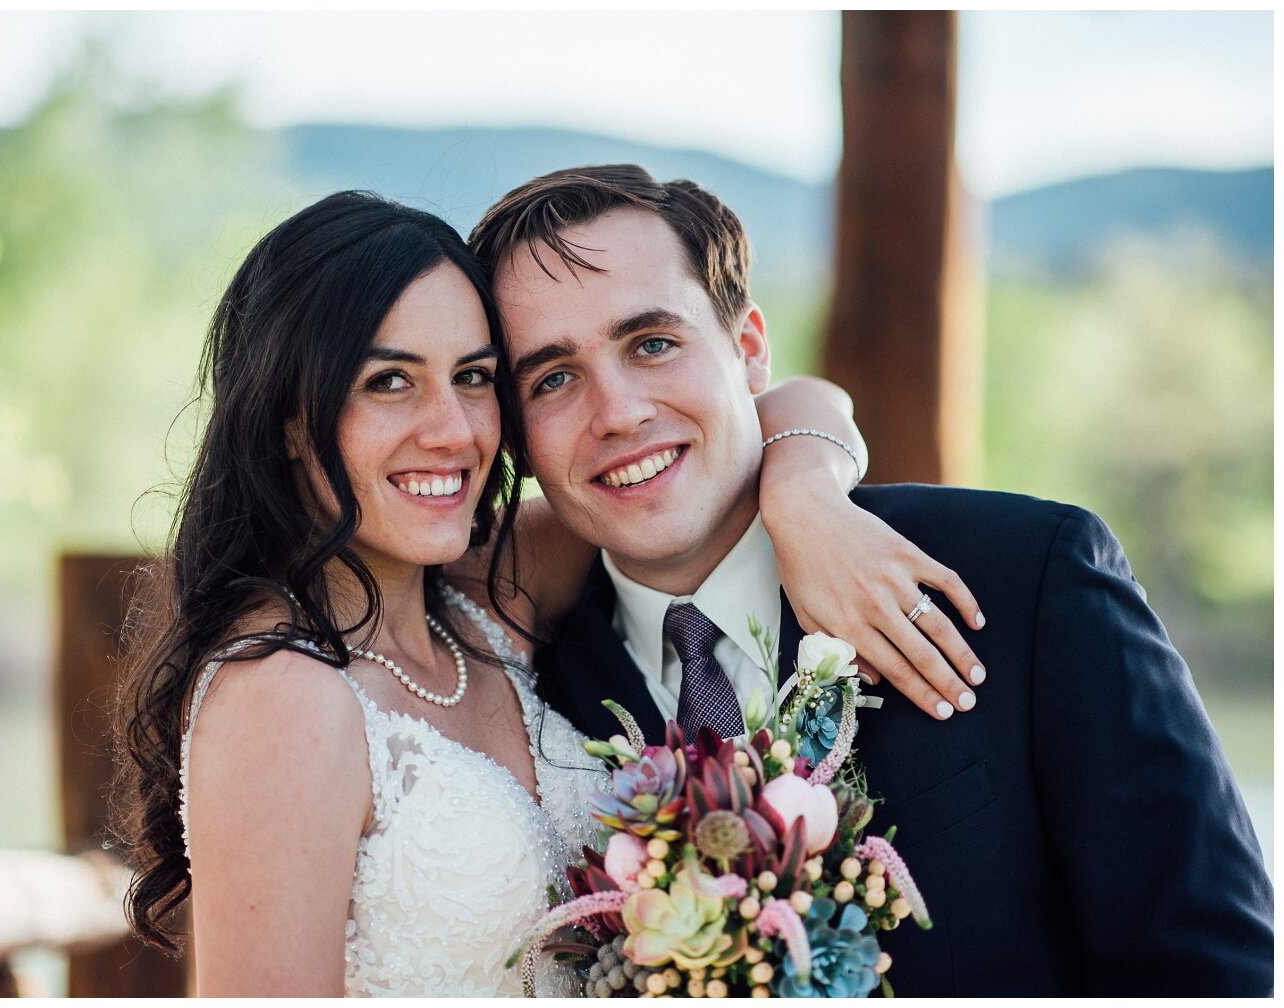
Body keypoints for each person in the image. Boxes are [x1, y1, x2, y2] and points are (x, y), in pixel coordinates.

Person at [110, 190, 978, 995]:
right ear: (287, 420)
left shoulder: (486, 595)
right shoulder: (281, 694)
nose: (451, 432)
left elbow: (763, 412)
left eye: (475, 376)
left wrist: (806, 495)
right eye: (388, 381)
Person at [468, 164, 1273, 996]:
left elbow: (1214, 972)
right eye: (553, 378)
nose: (619, 412)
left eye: (653, 344)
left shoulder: (1024, 576)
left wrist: (804, 479)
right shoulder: (535, 711)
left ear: (749, 352)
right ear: (517, 438)